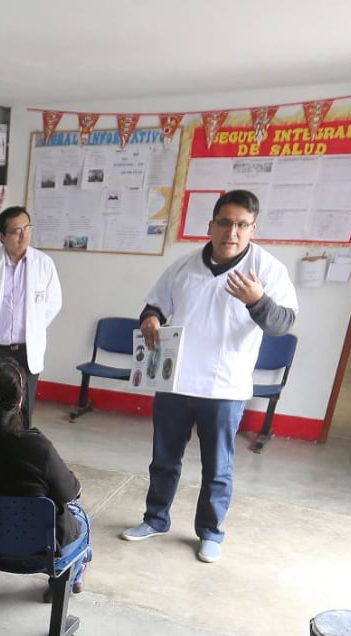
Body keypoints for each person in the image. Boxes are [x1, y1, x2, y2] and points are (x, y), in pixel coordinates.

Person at [120, 190, 298, 563]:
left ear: (253, 229)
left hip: (225, 387)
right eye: (224, 222)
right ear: (211, 224)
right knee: (164, 458)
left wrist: (257, 301)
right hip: (175, 382)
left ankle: (211, 532)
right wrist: (150, 318)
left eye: (241, 225)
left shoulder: (267, 270)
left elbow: (283, 323)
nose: (231, 232)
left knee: (218, 466)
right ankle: (155, 518)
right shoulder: (184, 267)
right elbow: (155, 304)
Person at [0, 360, 91, 595]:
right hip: (35, 554)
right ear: (20, 401)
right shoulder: (37, 448)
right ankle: (70, 574)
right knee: (81, 517)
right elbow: (71, 491)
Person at [0, 207, 63, 429]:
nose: (24, 235)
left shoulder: (44, 264)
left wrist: (32, 327)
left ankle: (19, 456)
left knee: (23, 413)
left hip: (27, 351)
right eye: (16, 231)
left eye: (27, 228)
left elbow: (53, 304)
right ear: (2, 236)